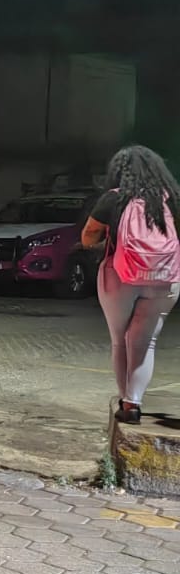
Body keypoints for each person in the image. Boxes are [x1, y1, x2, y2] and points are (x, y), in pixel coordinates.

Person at [81, 145, 180, 424]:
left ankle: (128, 407)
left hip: (119, 276)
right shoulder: (171, 199)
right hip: (165, 278)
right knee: (145, 342)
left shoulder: (113, 199)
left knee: (120, 340)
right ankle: (134, 400)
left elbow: (89, 236)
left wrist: (98, 242)